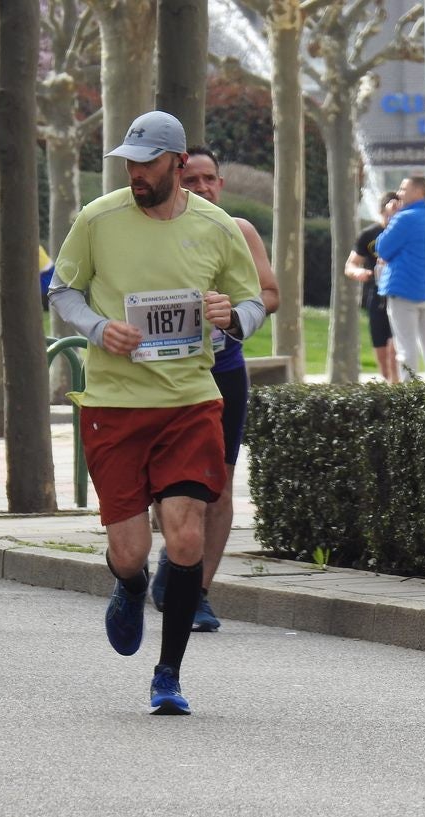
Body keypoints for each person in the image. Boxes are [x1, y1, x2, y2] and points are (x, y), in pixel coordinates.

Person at [48, 111, 264, 714]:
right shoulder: (99, 219)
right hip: (116, 406)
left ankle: (167, 675)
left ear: (175, 163)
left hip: (189, 402)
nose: (135, 173)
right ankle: (128, 585)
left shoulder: (218, 228)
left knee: (187, 534)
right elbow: (62, 290)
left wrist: (231, 318)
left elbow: (253, 305)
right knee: (128, 550)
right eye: (129, 164)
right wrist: (98, 328)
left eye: (146, 163)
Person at [149, 144, 280, 633]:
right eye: (193, 179)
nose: (203, 187)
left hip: (221, 371)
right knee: (167, 482)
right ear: (175, 180)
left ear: (220, 185)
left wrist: (234, 312)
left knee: (218, 484)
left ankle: (199, 591)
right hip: (163, 373)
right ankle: (176, 555)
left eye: (211, 180)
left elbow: (270, 294)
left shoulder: (238, 231)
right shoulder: (152, 230)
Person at [376, 175, 425, 381]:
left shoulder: (404, 218)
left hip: (403, 289)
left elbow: (383, 248)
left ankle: (410, 396)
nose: (399, 193)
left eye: (403, 189)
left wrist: (391, 217)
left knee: (406, 347)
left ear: (418, 191)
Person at [345, 191, 399, 383]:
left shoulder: (405, 234)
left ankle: (399, 392)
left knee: (394, 351)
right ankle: (390, 385)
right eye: (387, 214)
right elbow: (350, 264)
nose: (391, 218)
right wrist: (358, 272)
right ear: (381, 212)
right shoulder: (369, 235)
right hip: (375, 296)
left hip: (399, 296)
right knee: (383, 358)